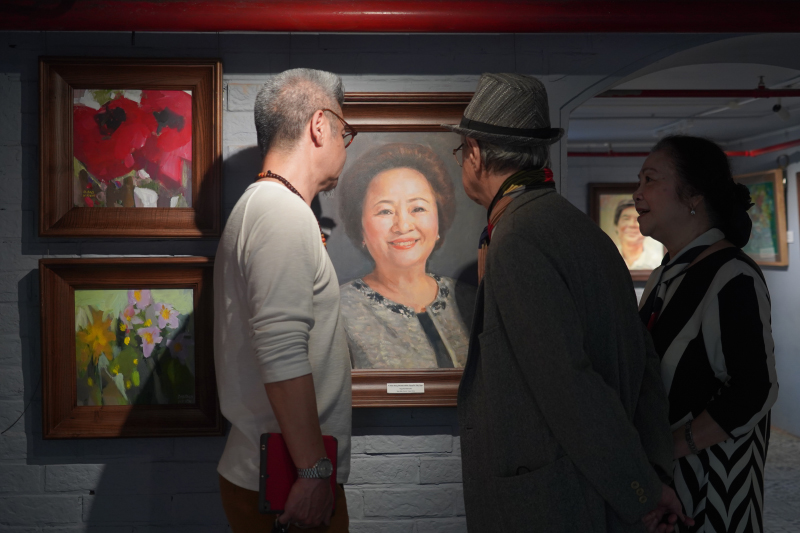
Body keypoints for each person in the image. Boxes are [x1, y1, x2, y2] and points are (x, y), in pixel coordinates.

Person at [445, 73, 692, 533]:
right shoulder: (586, 233)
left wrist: (641, 488)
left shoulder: (516, 239)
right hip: (597, 494)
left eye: (461, 151)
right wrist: (652, 473)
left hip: (551, 506)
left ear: (474, 153)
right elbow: (643, 365)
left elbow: (567, 386)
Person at [213, 68, 355, 532]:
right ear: (320, 125)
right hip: (288, 483)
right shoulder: (280, 213)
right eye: (345, 132)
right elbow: (281, 352)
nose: (345, 145)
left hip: (278, 474)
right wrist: (314, 472)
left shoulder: (266, 207)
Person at [635, 135, 779, 532]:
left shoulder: (732, 275)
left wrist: (671, 448)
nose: (637, 192)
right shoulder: (665, 275)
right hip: (668, 490)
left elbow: (754, 389)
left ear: (693, 196)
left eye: (650, 179)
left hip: (711, 494)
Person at [337, 143, 475, 369]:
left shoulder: (470, 300)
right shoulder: (339, 310)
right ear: (360, 227)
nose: (403, 226)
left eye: (418, 208)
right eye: (385, 211)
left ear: (439, 220)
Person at [613, 198, 663, 270]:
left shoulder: (657, 261)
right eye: (626, 218)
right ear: (616, 225)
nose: (631, 225)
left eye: (638, 219)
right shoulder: (607, 257)